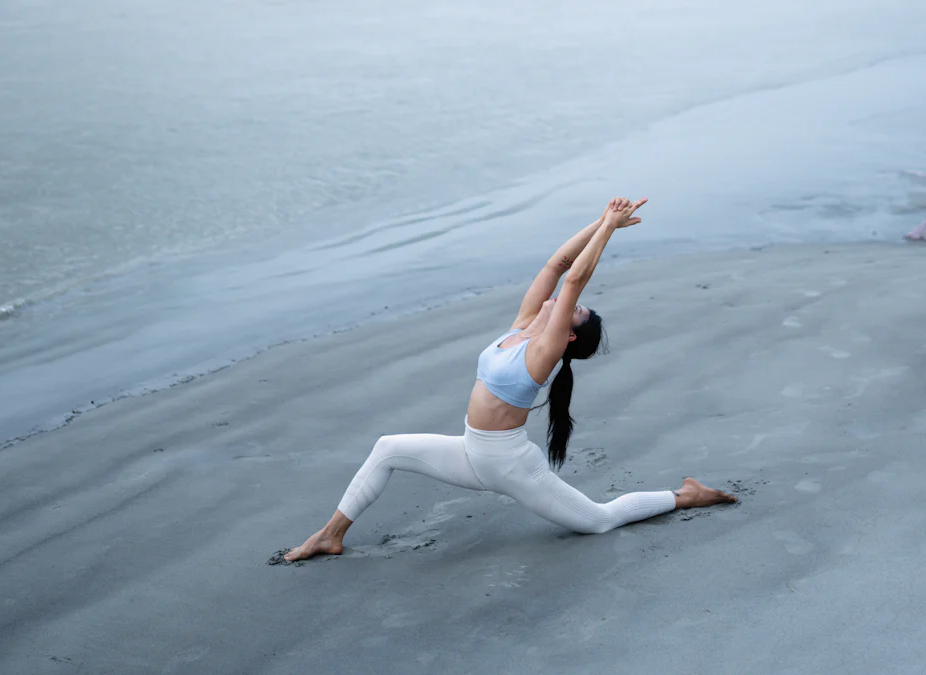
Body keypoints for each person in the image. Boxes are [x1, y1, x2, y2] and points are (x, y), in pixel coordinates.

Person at [278, 197, 736, 563]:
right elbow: (558, 265)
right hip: (471, 449)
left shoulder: (545, 350)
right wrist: (598, 221)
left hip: (509, 463)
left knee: (596, 520)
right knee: (387, 448)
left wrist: (608, 232)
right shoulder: (522, 326)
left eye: (573, 308)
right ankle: (329, 535)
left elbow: (576, 277)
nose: (564, 299)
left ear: (569, 333)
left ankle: (683, 496)